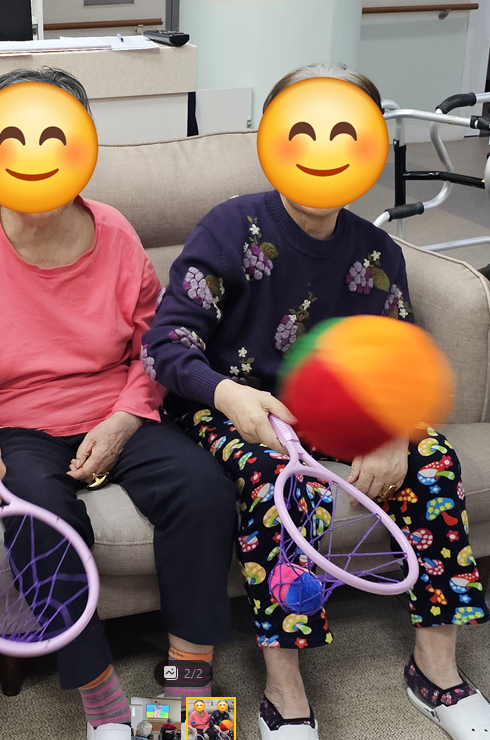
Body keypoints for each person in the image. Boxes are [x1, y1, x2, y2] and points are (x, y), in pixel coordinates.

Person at [142, 62, 490, 740]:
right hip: (236, 406)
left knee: (435, 461)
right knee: (281, 485)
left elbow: (401, 364)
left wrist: (393, 433)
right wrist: (231, 396)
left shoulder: (378, 250)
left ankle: (436, 673)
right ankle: (285, 690)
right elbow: (166, 345)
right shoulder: (228, 228)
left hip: (337, 408)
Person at [0, 68, 238, 740]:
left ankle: (188, 690)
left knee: (204, 489)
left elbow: (156, 347)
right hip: (11, 422)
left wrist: (126, 417)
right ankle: (103, 704)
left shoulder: (116, 233)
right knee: (39, 515)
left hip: (117, 407)